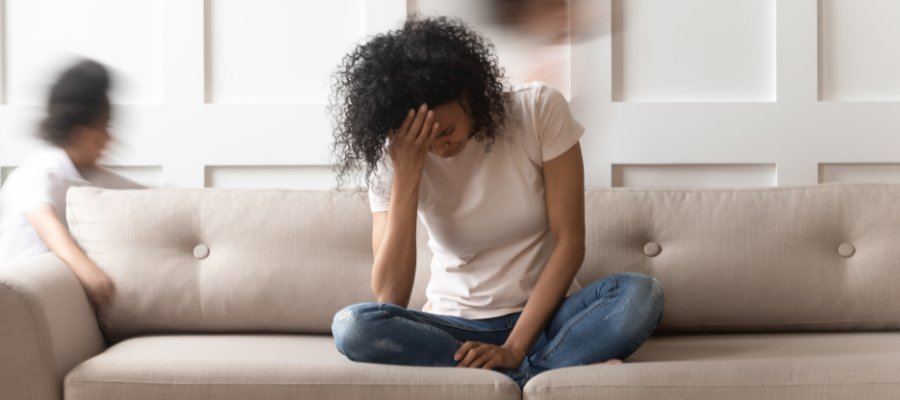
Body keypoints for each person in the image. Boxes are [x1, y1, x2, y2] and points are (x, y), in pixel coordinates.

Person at [329, 17, 664, 388]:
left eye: (447, 131)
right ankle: (546, 371)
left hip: (547, 318)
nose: (440, 149)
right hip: (454, 330)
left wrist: (515, 347)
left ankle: (511, 371)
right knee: (351, 326)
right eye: (428, 142)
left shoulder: (538, 109)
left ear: (467, 94)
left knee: (641, 295)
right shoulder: (397, 155)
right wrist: (407, 174)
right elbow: (390, 296)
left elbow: (570, 245)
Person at [0, 59, 142, 307]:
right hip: (21, 293)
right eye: (107, 127)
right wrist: (88, 272)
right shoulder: (41, 168)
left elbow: (146, 197)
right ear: (82, 135)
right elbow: (42, 218)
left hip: (56, 294)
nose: (112, 138)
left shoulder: (89, 174)